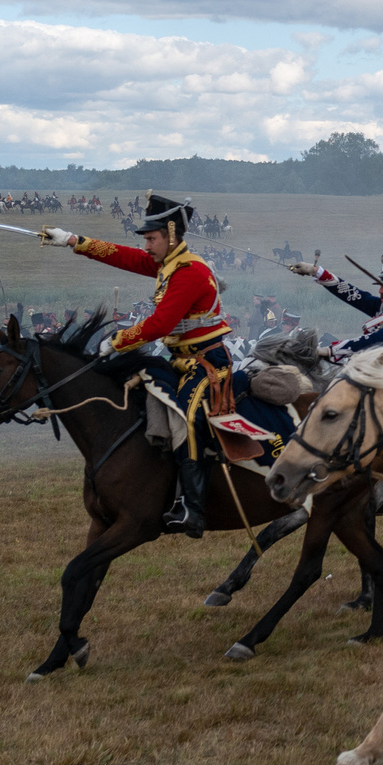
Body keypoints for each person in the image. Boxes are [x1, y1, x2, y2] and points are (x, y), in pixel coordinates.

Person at [39, 193, 243, 533]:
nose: (146, 246)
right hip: (179, 361)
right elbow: (126, 257)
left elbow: (160, 324)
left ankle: (193, 508)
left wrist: (116, 341)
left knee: (188, 419)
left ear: (172, 236)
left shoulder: (189, 272)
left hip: (208, 364)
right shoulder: (168, 264)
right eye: (146, 239)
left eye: (151, 238)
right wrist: (75, 241)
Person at [291, 253, 383, 352]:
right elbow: (354, 295)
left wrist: (332, 350)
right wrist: (316, 271)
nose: (380, 291)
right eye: (381, 286)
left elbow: (377, 339)